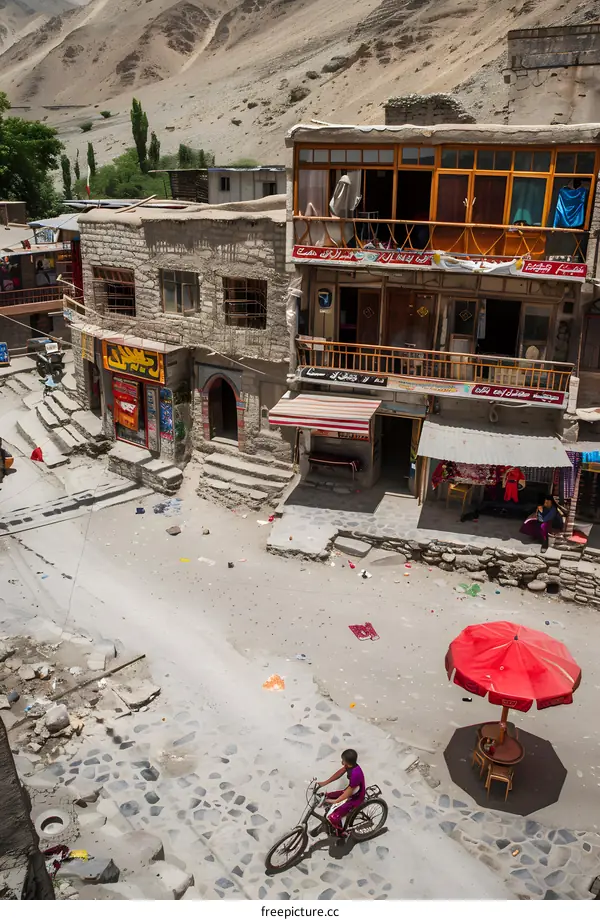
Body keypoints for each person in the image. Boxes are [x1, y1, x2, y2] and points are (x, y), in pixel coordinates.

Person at [316, 749, 366, 839]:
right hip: (350, 791)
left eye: (342, 760)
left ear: (346, 762)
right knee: (325, 795)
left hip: (355, 797)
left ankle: (342, 832)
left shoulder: (356, 774)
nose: (341, 761)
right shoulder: (349, 766)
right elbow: (339, 774)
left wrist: (335, 801)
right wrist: (325, 782)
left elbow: (347, 793)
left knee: (333, 817)